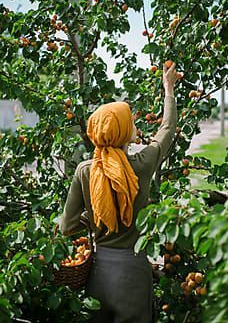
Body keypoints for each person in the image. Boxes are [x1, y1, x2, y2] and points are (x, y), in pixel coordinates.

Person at [59, 62, 178, 323]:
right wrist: (168, 90)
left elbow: (66, 227)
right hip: (133, 271)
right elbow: (167, 130)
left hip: (99, 273)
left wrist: (95, 217)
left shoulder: (85, 171)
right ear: (125, 132)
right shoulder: (143, 164)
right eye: (131, 122)